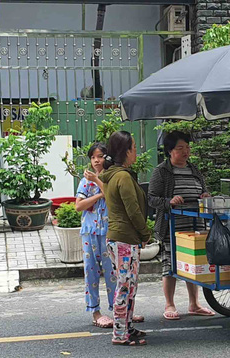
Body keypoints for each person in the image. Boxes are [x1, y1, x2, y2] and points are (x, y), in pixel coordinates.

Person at [75, 142, 145, 329]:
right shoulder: (85, 182)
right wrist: (97, 196)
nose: (96, 160)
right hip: (90, 232)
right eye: (93, 157)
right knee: (91, 271)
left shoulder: (109, 178)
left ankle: (119, 310)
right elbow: (78, 206)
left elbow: (110, 193)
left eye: (100, 156)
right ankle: (95, 312)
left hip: (109, 232)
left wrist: (98, 183)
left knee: (114, 273)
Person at [148, 131, 215, 320]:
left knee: (193, 264)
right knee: (169, 266)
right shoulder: (161, 171)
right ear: (170, 151)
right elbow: (152, 199)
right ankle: (169, 304)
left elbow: (204, 190)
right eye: (180, 148)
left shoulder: (194, 170)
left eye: (187, 148)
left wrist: (205, 196)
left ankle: (194, 304)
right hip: (171, 227)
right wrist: (169, 201)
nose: (185, 151)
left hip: (195, 225)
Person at [100, 131, 151, 346]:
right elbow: (133, 211)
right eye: (134, 148)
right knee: (124, 286)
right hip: (124, 239)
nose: (136, 151)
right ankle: (120, 333)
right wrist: (145, 233)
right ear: (126, 151)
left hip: (119, 238)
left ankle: (126, 327)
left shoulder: (114, 175)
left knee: (129, 285)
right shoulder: (122, 177)